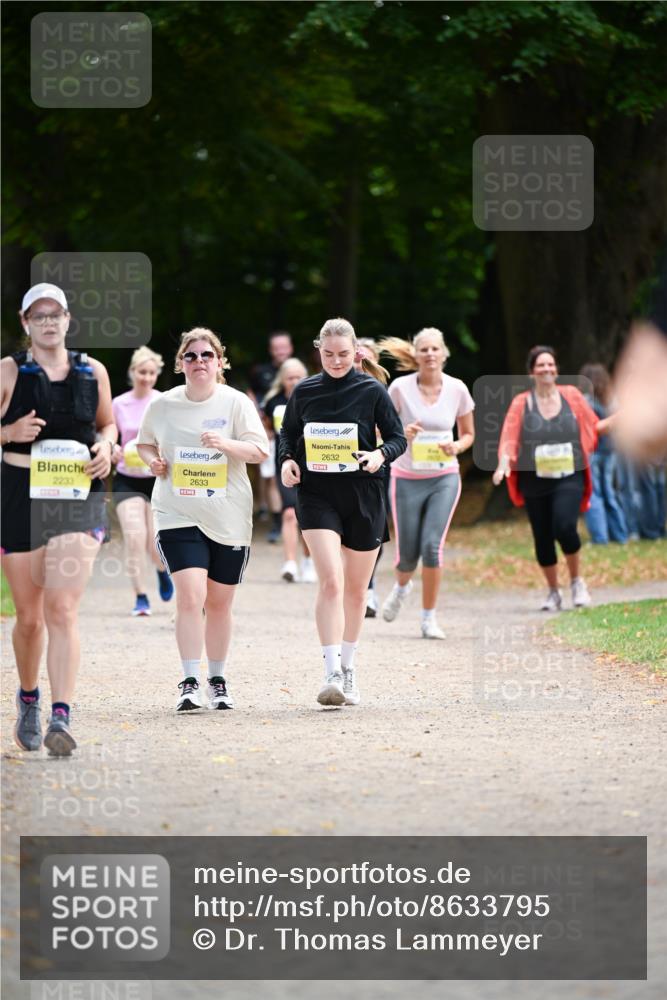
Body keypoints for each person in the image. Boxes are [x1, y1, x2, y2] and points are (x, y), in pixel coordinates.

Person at [1, 282, 116, 755]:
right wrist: (7, 430)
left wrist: (108, 447)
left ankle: (61, 715)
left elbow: (108, 423)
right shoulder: (8, 371)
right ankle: (29, 696)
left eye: (56, 314)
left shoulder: (93, 370)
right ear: (26, 323)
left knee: (62, 609)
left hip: (76, 497)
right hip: (19, 495)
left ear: (68, 319)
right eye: (39, 315)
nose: (49, 322)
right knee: (29, 618)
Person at [136, 328, 269, 712]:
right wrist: (153, 461)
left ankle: (218, 679)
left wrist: (225, 444)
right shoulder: (163, 405)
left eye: (206, 355)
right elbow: (144, 443)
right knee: (191, 596)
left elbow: (260, 451)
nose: (199, 362)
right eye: (191, 356)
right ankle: (190, 680)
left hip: (228, 516)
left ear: (220, 362)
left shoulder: (235, 403)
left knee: (220, 603)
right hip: (176, 511)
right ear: (180, 364)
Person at [279, 317, 406, 707]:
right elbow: (287, 433)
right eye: (329, 354)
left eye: (344, 355)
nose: (336, 362)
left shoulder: (372, 391)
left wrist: (378, 455)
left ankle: (348, 669)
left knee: (355, 590)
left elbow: (398, 438)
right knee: (330, 581)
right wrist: (286, 461)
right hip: (317, 494)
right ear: (319, 350)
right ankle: (330, 670)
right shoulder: (304, 391)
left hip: (363, 495)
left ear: (357, 353)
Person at [378, 329, 475, 638]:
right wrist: (401, 433)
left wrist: (457, 447)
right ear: (416, 355)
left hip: (444, 476)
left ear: (443, 354)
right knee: (407, 554)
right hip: (406, 477)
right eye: (424, 350)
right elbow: (380, 431)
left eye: (435, 349)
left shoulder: (457, 389)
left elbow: (469, 434)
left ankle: (428, 618)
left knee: (432, 547)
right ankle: (402, 587)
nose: (430, 354)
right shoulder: (399, 388)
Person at [492, 345, 600, 610]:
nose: (546, 369)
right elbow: (509, 436)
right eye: (540, 366)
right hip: (534, 479)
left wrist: (627, 418)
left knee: (564, 527)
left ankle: (576, 582)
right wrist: (503, 464)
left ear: (557, 369)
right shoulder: (522, 402)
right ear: (532, 372)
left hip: (569, 475)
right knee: (542, 537)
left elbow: (593, 425)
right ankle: (553, 592)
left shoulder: (572, 396)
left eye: (550, 365)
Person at [111, 346, 174, 615]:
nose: (146, 377)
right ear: (132, 372)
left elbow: (172, 438)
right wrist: (111, 449)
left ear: (156, 374)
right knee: (135, 538)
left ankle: (162, 571)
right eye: (141, 372)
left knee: (153, 544)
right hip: (127, 478)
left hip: (156, 479)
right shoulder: (119, 404)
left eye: (151, 373)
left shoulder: (163, 402)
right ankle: (140, 597)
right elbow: (110, 436)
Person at [262, 358, 317, 583]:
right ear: (282, 380)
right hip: (284, 461)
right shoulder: (273, 401)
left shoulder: (314, 398)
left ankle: (309, 560)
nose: (294, 382)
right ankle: (290, 563)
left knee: (309, 515)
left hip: (313, 463)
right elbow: (266, 425)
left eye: (298, 377)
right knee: (288, 513)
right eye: (290, 378)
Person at [248, 331, 294, 541]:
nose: (280, 352)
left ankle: (296, 521)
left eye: (283, 347)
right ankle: (277, 521)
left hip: (298, 440)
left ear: (290, 348)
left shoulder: (299, 370)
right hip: (270, 436)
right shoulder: (262, 372)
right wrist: (262, 428)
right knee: (272, 479)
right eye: (277, 348)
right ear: (271, 350)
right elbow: (252, 397)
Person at [353, 338, 387, 618]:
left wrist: (381, 446)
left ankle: (369, 588)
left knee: (374, 534)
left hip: (377, 471)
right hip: (340, 472)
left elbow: (395, 433)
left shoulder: (381, 392)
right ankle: (353, 591)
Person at [578, 363, 628, 545]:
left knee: (593, 494)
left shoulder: (585, 400)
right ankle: (620, 535)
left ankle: (600, 538)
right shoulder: (612, 400)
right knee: (610, 493)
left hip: (593, 451)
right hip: (611, 451)